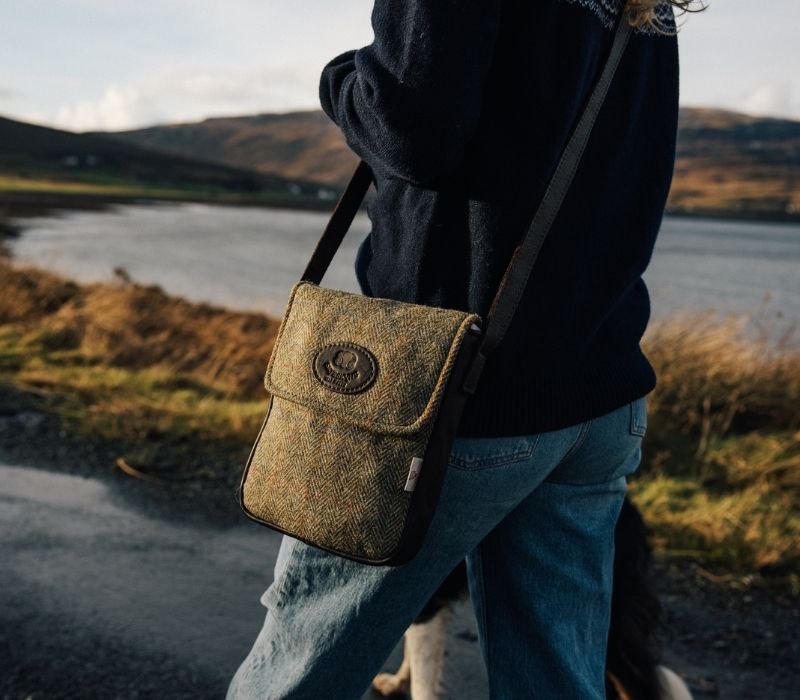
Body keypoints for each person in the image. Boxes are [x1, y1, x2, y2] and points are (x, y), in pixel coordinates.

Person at [229, 1, 698, 697]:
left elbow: (412, 129)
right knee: (556, 679)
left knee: (300, 671)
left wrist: (338, 80)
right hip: (596, 394)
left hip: (444, 393)